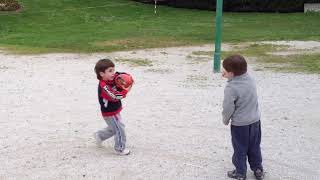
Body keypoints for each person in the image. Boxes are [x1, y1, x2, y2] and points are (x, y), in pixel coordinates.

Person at [221, 55, 264, 180]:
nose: (222, 72)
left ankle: (240, 172)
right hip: (255, 121)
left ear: (231, 73)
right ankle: (258, 169)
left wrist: (225, 119)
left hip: (240, 125)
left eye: (224, 70)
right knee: (254, 146)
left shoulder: (231, 88)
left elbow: (228, 107)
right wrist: (230, 77)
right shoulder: (250, 79)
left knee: (240, 148)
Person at [93, 58, 132, 156]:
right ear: (102, 74)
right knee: (119, 128)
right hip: (109, 113)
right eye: (110, 71)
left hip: (115, 110)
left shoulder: (112, 79)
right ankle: (119, 148)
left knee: (114, 128)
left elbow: (120, 75)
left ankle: (99, 135)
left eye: (113, 70)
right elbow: (115, 96)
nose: (113, 73)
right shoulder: (104, 87)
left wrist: (126, 78)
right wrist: (126, 90)